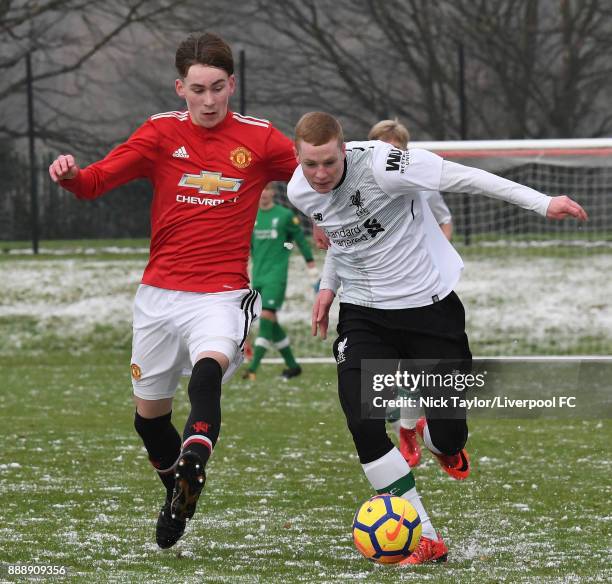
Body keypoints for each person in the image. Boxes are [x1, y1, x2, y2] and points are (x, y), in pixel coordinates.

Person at [287, 112, 587, 565]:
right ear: (299, 157)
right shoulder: (300, 190)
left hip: (431, 314)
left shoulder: (388, 166)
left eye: (329, 162)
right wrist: (328, 289)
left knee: (450, 435)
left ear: (344, 149)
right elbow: (342, 239)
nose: (321, 174)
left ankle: (436, 440)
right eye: (311, 164)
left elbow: (467, 177)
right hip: (365, 317)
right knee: (361, 418)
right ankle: (424, 534)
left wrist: (542, 203)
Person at [48, 32, 297, 550]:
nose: (209, 101)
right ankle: (179, 491)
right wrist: (70, 177)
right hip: (159, 296)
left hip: (222, 292)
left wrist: (323, 217)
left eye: (218, 88)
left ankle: (195, 459)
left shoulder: (262, 138)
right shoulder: (160, 133)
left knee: (208, 372)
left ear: (233, 85)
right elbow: (96, 181)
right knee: (149, 422)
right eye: (198, 89)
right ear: (179, 86)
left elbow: (316, 178)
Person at [368, 118, 454, 468]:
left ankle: (409, 427)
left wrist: (438, 252)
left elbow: (445, 220)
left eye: (397, 148)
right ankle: (407, 424)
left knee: (420, 364)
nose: (391, 154)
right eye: (384, 147)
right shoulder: (364, 184)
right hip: (379, 284)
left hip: (423, 283)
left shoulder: (422, 182)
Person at [243, 182, 318, 381]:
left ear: (274, 192)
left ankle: (253, 368)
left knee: (267, 316)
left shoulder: (284, 216)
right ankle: (293, 366)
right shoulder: (251, 216)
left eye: (267, 189)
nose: (264, 193)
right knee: (270, 321)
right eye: (261, 189)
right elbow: (249, 247)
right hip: (257, 276)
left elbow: (299, 240)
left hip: (276, 277)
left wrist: (310, 264)